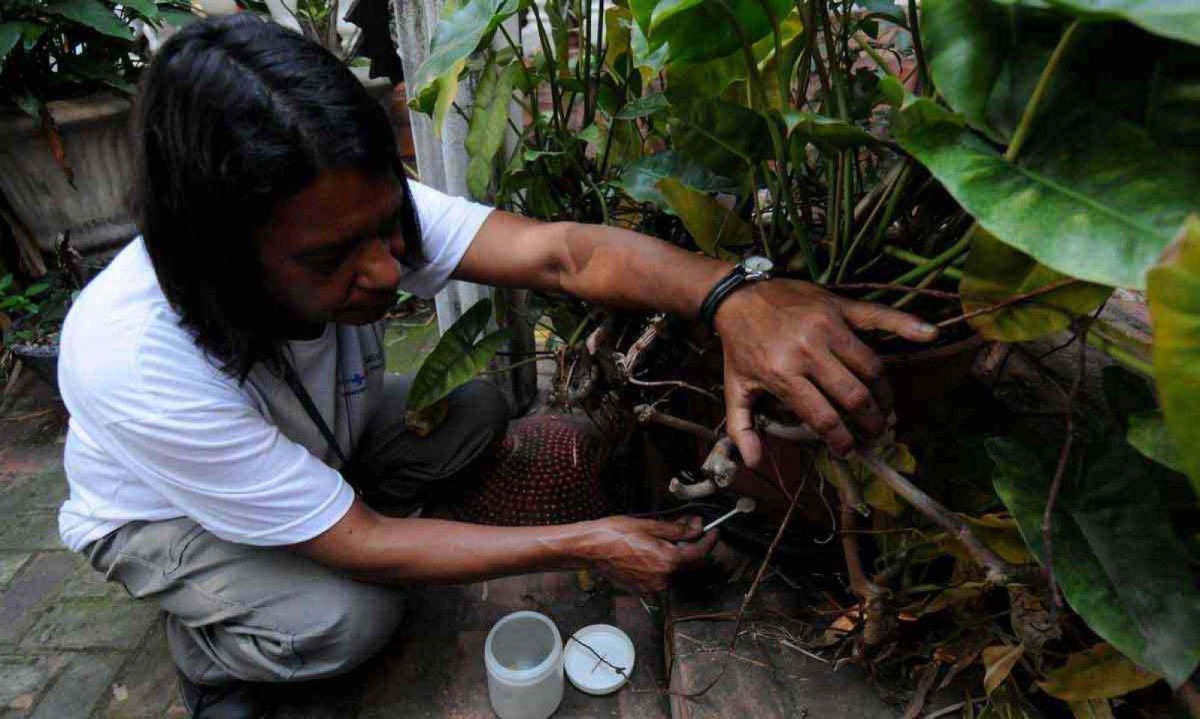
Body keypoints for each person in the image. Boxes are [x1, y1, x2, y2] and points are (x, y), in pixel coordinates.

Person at [56, 13, 937, 718]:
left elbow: (561, 254)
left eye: (388, 226)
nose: (387, 270)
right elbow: (361, 545)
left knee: (472, 411)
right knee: (349, 616)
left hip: (315, 434)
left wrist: (737, 297)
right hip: (167, 513)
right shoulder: (132, 358)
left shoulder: (336, 202)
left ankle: (319, 494)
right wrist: (583, 540)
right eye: (333, 262)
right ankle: (214, 636)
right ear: (223, 260)